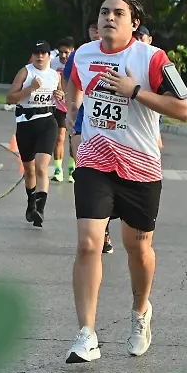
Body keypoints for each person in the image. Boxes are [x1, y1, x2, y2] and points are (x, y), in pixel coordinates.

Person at [63, 0, 187, 364]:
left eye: (119, 13)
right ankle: (86, 334)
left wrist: (135, 91)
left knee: (138, 249)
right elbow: (72, 79)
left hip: (140, 167)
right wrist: (73, 117)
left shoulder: (152, 58)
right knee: (89, 244)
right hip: (95, 161)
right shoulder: (84, 54)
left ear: (134, 23)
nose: (109, 18)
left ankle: (140, 312)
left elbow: (183, 109)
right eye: (104, 12)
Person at [64, 22, 114, 253]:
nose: (98, 32)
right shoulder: (81, 54)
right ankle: (98, 229)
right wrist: (71, 106)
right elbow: (70, 80)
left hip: (116, 130)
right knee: (86, 172)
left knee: (111, 181)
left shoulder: (128, 55)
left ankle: (105, 222)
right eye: (94, 28)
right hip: (84, 122)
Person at [6, 42, 63, 227]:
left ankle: (40, 209)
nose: (40, 57)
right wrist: (30, 88)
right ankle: (31, 204)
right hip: (25, 123)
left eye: (43, 53)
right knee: (29, 169)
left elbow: (61, 95)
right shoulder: (25, 72)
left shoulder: (55, 75)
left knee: (41, 167)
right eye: (36, 53)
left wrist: (60, 95)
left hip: (47, 122)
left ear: (48, 56)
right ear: (32, 56)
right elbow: (10, 98)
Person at [51, 37, 75, 181]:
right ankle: (58, 170)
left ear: (72, 51)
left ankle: (72, 170)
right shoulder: (53, 63)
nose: (63, 56)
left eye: (66, 52)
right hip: (58, 106)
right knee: (59, 138)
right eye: (60, 52)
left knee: (73, 139)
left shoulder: (77, 63)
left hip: (74, 106)